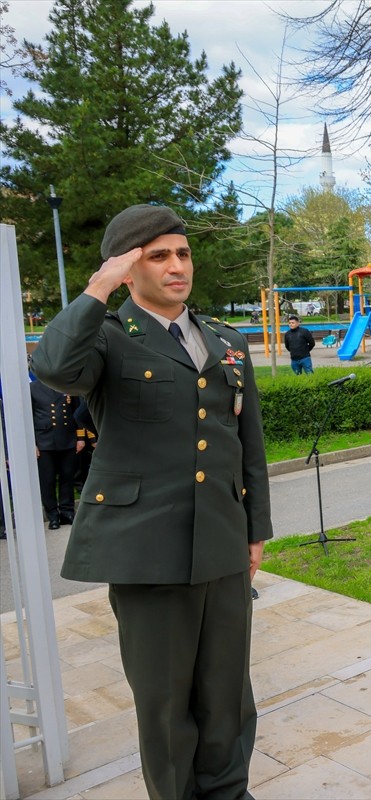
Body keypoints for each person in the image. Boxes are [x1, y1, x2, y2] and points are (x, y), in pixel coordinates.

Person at [31, 203, 273, 800]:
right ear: (128, 267)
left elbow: (249, 445)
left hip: (220, 539)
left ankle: (229, 791)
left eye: (182, 254)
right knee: (165, 701)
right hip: (146, 546)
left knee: (227, 692)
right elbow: (53, 367)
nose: (176, 266)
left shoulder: (226, 339)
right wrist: (98, 288)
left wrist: (255, 530)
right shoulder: (109, 339)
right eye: (157, 256)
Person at [29, 373, 81, 530]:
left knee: (67, 477)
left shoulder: (66, 384)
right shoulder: (32, 388)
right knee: (48, 480)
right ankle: (53, 516)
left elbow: (77, 412)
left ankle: (67, 512)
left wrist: (80, 438)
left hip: (68, 438)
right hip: (44, 441)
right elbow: (28, 417)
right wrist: (33, 443)